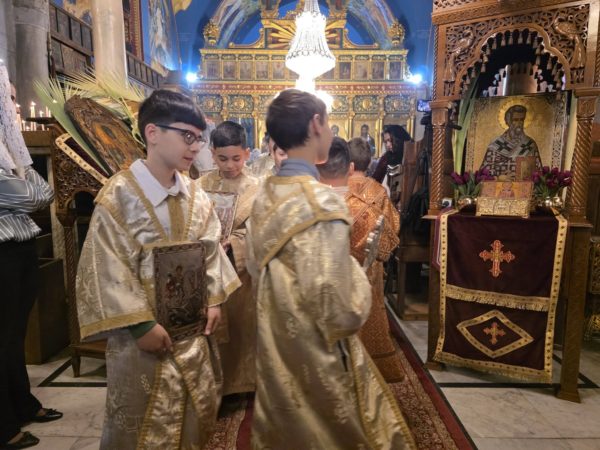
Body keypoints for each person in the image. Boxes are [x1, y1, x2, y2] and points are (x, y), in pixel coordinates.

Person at [246, 89, 415, 449]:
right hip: (316, 349)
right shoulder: (321, 202)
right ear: (316, 124)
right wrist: (359, 277)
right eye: (327, 123)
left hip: (275, 341)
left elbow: (255, 267)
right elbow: (341, 310)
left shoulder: (264, 196)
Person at [75, 89, 240, 449]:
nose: (196, 147)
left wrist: (214, 299)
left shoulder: (196, 195)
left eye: (199, 138)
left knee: (194, 419)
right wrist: (140, 324)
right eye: (187, 136)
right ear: (152, 133)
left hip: (193, 336)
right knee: (142, 428)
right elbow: (107, 265)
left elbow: (210, 250)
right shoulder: (120, 195)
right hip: (143, 342)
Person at [1, 73, 62, 450]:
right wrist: (24, 179)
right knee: (2, 337)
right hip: (2, 250)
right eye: (8, 97)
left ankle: (21, 403)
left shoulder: (8, 148)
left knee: (14, 337)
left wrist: (22, 176)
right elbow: (32, 196)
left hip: (19, 244)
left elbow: (40, 193)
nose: (13, 103)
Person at [199, 121, 260, 395]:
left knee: (241, 326)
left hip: (241, 272)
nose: (230, 165)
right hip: (208, 269)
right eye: (222, 158)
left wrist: (234, 241)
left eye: (236, 158)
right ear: (212, 153)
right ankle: (215, 385)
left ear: (247, 153)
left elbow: (260, 232)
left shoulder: (257, 188)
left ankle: (242, 384)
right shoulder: (199, 186)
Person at [348, 137, 403, 382]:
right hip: (371, 265)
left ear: (347, 163)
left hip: (344, 263)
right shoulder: (380, 190)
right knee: (372, 307)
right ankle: (375, 361)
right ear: (369, 162)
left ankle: (348, 360)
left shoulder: (336, 188)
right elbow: (392, 226)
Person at [480, 104, 542, 178]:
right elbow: (484, 174)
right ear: (508, 121)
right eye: (515, 120)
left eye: (522, 119)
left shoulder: (529, 145)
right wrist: (499, 178)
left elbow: (538, 173)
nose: (519, 123)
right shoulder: (495, 145)